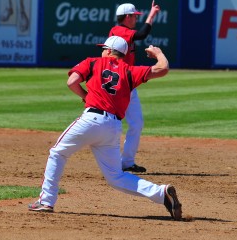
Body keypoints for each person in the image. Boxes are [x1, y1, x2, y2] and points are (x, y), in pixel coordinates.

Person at [28, 36, 182, 220]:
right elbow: (162, 68)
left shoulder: (93, 62)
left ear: (109, 50)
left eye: (104, 48)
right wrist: (158, 53)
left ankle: (46, 201)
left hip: (91, 120)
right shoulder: (130, 71)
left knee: (57, 153)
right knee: (116, 177)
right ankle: (160, 193)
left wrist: (85, 95)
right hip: (113, 127)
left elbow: (72, 82)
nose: (102, 51)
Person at [109, 1, 160, 173]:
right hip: (117, 85)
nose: (136, 19)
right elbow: (142, 34)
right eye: (134, 16)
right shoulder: (118, 31)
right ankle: (110, 161)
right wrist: (151, 15)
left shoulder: (124, 32)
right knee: (111, 123)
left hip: (128, 84)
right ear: (127, 16)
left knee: (136, 123)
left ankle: (127, 162)